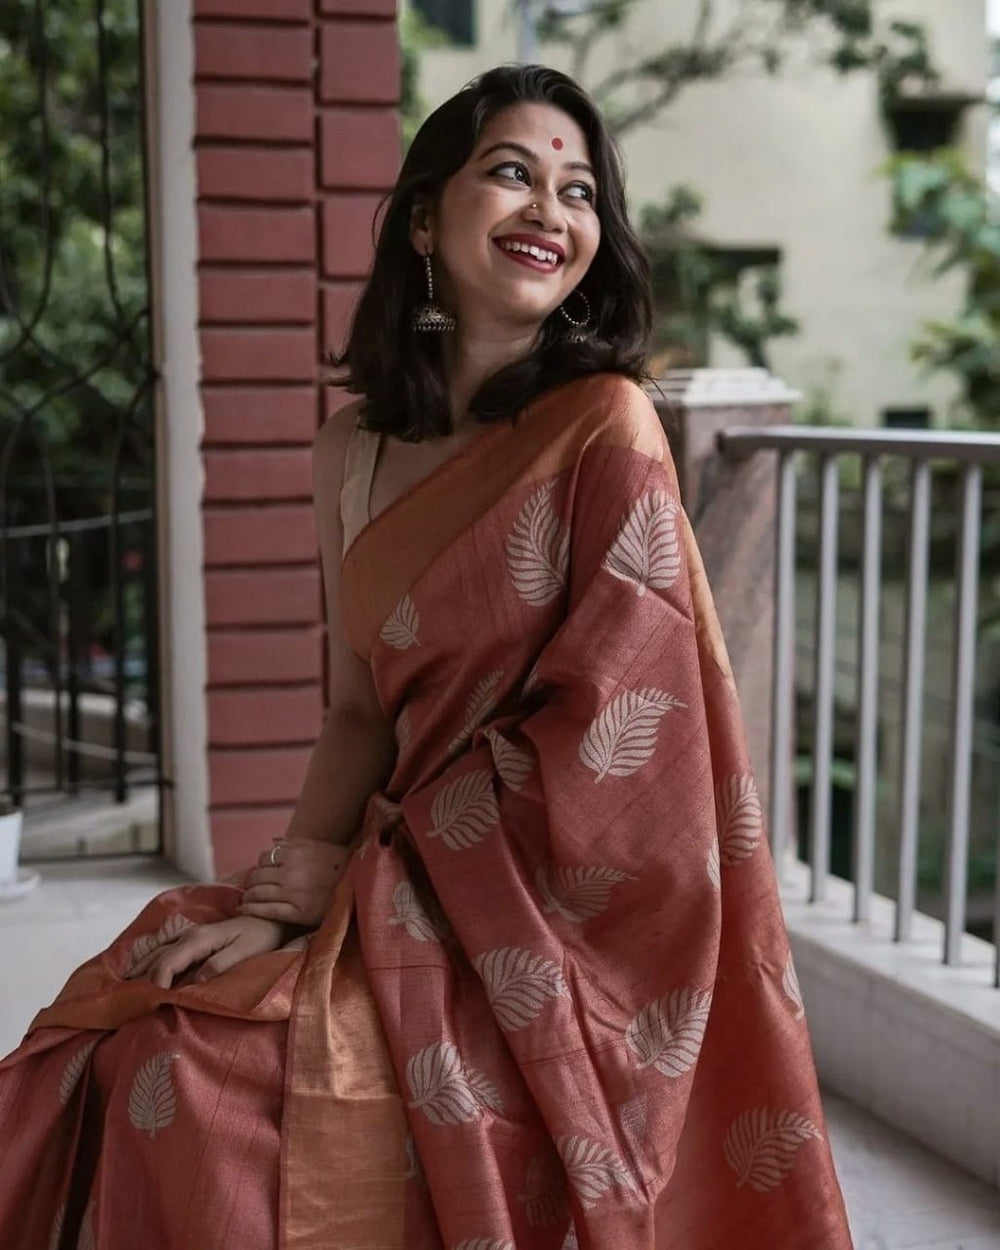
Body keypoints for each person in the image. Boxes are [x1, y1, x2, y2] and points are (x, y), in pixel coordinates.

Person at [0, 64, 852, 1249]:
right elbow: (358, 713)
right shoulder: (350, 450)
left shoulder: (603, 427)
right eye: (511, 172)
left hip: (529, 925)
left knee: (197, 1079)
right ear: (420, 218)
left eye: (579, 190)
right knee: (126, 1015)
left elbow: (626, 763)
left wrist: (360, 883)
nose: (549, 210)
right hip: (394, 874)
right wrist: (286, 893)